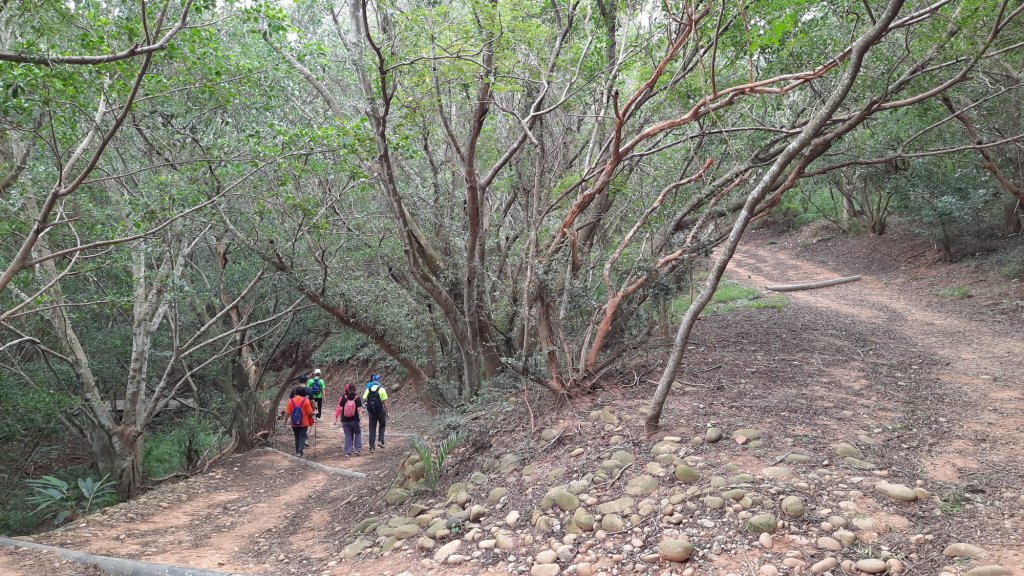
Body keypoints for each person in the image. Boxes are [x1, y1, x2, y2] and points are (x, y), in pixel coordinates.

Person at [333, 384, 363, 458]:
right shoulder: (357, 398)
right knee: (357, 433)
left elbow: (340, 409)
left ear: (347, 389)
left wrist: (340, 418)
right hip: (355, 420)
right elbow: (359, 410)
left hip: (345, 420)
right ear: (355, 389)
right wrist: (361, 419)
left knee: (348, 435)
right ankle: (357, 450)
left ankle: (347, 452)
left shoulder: (343, 398)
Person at [286, 386, 315, 457]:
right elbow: (310, 413)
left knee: (297, 437)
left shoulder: (291, 401)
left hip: (294, 422)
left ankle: (297, 451)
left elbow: (287, 412)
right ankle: (299, 452)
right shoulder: (306, 401)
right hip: (304, 423)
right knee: (302, 437)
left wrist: (285, 420)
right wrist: (314, 414)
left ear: (296, 393)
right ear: (304, 393)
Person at [362, 374, 389, 452]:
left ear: (373, 380)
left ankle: (371, 447)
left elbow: (364, 399)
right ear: (379, 380)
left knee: (372, 428)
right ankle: (381, 441)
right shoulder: (382, 390)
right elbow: (385, 403)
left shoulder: (368, 389)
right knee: (382, 425)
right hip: (380, 411)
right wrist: (387, 412)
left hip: (371, 412)